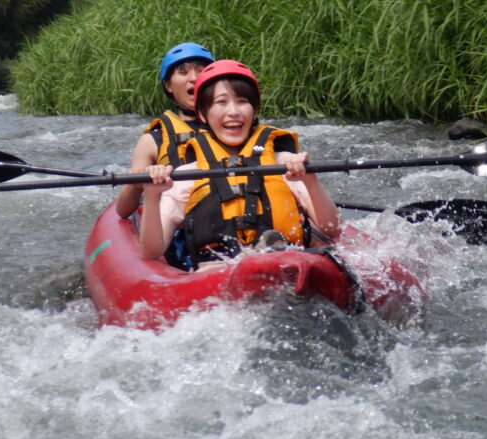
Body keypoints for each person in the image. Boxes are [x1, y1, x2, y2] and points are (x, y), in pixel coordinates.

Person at [139, 59, 341, 269]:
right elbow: (152, 251)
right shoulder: (187, 176)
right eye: (221, 102)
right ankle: (260, 257)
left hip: (287, 265)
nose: (233, 111)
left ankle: (270, 253)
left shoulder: (284, 163)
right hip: (216, 273)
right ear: (202, 114)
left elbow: (331, 229)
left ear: (254, 109)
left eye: (242, 101)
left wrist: (311, 181)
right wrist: (153, 196)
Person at [115, 42, 215, 219]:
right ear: (169, 85)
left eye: (201, 70)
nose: (194, 78)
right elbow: (123, 211)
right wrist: (135, 184)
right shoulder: (152, 141)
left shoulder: (233, 127)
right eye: (183, 72)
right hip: (179, 223)